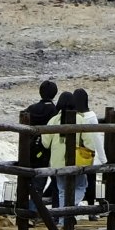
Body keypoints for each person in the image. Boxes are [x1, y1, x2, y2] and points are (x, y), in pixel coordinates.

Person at [19, 78, 62, 217]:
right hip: (45, 151)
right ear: (55, 94)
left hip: (28, 149)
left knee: (27, 182)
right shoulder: (54, 112)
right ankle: (34, 213)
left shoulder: (31, 109)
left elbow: (22, 118)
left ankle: (24, 211)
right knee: (42, 182)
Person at [54, 87, 94, 218]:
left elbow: (45, 142)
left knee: (61, 190)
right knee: (81, 186)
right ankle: (69, 209)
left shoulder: (54, 120)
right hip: (75, 160)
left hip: (56, 161)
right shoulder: (81, 119)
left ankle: (62, 219)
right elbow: (89, 142)